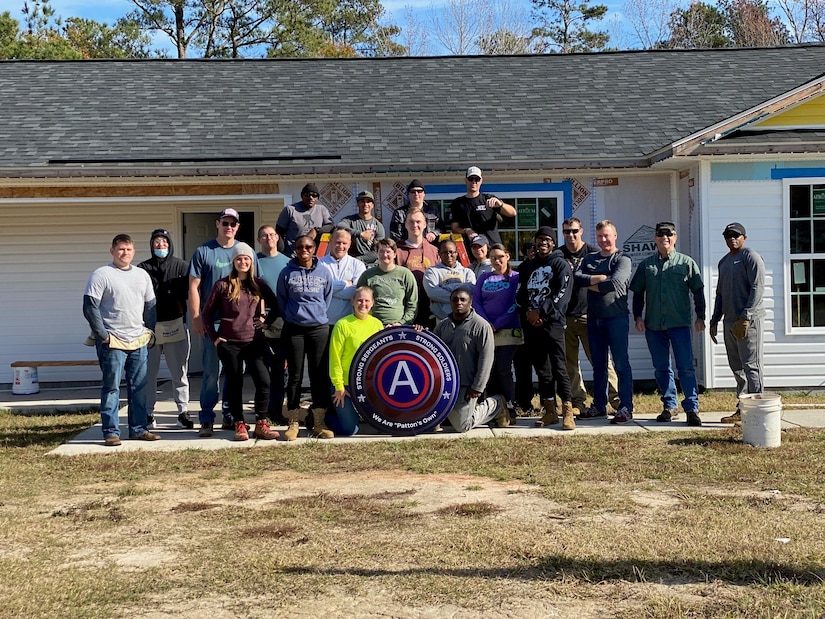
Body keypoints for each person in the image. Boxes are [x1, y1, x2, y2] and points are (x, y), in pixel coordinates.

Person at [83, 234, 159, 446]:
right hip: (113, 341)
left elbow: (150, 306)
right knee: (112, 387)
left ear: (134, 252)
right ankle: (110, 432)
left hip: (138, 341)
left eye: (128, 249)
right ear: (112, 251)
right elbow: (90, 307)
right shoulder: (101, 275)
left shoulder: (142, 275)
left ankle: (138, 429)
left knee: (139, 387)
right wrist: (103, 335)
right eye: (121, 249)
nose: (125, 253)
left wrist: (149, 331)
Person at [201, 242, 280, 441]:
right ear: (233, 261)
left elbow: (276, 306)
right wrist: (214, 337)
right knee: (234, 383)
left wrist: (265, 321)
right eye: (239, 258)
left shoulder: (258, 283)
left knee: (264, 381)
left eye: (246, 258)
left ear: (251, 261)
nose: (243, 261)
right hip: (230, 342)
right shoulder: (223, 284)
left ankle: (261, 422)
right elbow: (207, 313)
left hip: (254, 341)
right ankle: (239, 423)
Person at [630, 221, 706, 426]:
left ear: (675, 237)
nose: (665, 237)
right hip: (654, 325)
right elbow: (638, 292)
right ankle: (669, 406)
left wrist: (701, 316)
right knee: (662, 367)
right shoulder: (647, 265)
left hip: (679, 323)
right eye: (660, 234)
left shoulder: (686, 263)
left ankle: (691, 408)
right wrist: (637, 316)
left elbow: (698, 290)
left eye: (669, 234)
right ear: (655, 238)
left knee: (686, 367)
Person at [189, 208, 250, 435]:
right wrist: (196, 317)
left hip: (238, 326)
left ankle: (229, 414)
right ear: (217, 224)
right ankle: (206, 417)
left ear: (237, 227)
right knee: (211, 373)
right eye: (225, 223)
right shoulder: (204, 252)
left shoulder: (244, 251)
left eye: (233, 224)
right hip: (212, 324)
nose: (229, 227)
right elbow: (193, 286)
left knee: (235, 373)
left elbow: (255, 286)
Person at [558, 217, 621, 418]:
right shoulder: (558, 254)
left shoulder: (593, 253)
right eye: (567, 231)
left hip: (589, 315)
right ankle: (578, 401)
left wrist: (588, 280)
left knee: (601, 360)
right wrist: (591, 279)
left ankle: (616, 399)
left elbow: (608, 281)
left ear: (581, 230)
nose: (571, 235)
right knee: (570, 364)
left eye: (574, 231)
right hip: (565, 316)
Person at [517, 227, 576, 431]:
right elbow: (521, 294)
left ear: (553, 243)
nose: (543, 243)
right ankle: (550, 410)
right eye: (540, 240)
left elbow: (562, 294)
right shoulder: (527, 267)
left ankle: (567, 410)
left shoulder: (560, 264)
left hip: (553, 324)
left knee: (559, 367)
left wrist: (542, 313)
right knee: (543, 369)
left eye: (548, 240)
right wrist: (530, 313)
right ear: (534, 242)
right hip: (533, 325)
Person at [277, 234, 335, 440]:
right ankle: (293, 422)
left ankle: (318, 421)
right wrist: (295, 317)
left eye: (308, 247)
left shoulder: (324, 272)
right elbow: (281, 301)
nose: (304, 250)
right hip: (294, 329)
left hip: (319, 328)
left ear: (314, 248)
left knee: (318, 375)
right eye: (300, 246)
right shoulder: (286, 272)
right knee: (294, 376)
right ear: (295, 249)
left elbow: (326, 298)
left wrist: (315, 315)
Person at [576, 220, 634, 423]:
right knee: (598, 365)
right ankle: (599, 406)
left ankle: (625, 407)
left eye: (607, 235)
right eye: (600, 236)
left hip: (615, 318)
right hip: (593, 319)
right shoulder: (590, 259)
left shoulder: (623, 259)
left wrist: (591, 282)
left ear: (615, 236)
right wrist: (600, 278)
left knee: (620, 364)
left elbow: (615, 284)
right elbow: (576, 279)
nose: (603, 240)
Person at [709, 222, 766, 426]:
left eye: (736, 235)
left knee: (751, 365)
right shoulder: (724, 261)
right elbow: (720, 293)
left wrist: (746, 316)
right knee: (737, 367)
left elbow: (758, 288)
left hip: (747, 322)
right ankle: (743, 408)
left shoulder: (750, 257)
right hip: (730, 321)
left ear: (744, 237)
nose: (732, 238)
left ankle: (757, 410)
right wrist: (715, 319)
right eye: (728, 235)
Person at [433, 287, 509, 432]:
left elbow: (486, 359)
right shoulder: (443, 326)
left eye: (463, 300)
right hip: (445, 385)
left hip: (467, 385)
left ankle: (497, 404)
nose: (458, 303)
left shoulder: (481, 326)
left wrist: (478, 387)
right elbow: (431, 351)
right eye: (455, 300)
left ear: (470, 302)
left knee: (462, 426)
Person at [137, 229, 192, 430]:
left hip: (176, 325)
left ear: (170, 244)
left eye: (164, 242)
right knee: (148, 374)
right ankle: (148, 414)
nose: (161, 246)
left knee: (179, 371)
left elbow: (192, 293)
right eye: (157, 243)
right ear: (151, 245)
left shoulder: (182, 266)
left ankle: (183, 412)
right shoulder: (142, 269)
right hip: (149, 329)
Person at [473, 243, 521, 423]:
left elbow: (516, 303)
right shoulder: (484, 277)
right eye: (493, 257)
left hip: (508, 330)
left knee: (503, 369)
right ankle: (493, 410)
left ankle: (510, 406)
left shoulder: (515, 277)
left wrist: (498, 323)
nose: (497, 260)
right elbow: (476, 301)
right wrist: (486, 323)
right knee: (488, 370)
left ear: (507, 256)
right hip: (487, 330)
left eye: (500, 256)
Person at [328, 286, 384, 436]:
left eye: (367, 300)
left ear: (372, 303)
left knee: (381, 424)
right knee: (350, 431)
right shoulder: (342, 325)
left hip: (369, 385)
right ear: (352, 301)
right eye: (359, 300)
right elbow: (335, 358)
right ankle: (325, 417)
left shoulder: (377, 325)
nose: (363, 304)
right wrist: (339, 386)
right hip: (345, 386)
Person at [256, 225, 290, 423]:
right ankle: (263, 412)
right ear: (259, 239)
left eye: (271, 235)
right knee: (262, 373)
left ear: (277, 237)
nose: (268, 238)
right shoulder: (255, 262)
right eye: (264, 236)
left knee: (279, 372)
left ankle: (276, 412)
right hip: (260, 325)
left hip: (283, 325)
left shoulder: (287, 263)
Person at [356, 238, 418, 326]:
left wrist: (401, 323)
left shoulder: (405, 274)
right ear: (377, 253)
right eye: (381, 251)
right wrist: (371, 323)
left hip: (399, 327)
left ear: (395, 254)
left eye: (388, 252)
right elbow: (359, 302)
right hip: (373, 326)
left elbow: (412, 304)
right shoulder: (367, 275)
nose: (385, 255)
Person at [450, 166, 515, 246]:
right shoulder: (457, 203)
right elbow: (454, 228)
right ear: (466, 180)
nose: (474, 182)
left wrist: (501, 204)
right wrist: (466, 231)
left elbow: (512, 213)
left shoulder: (489, 199)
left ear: (481, 181)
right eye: (471, 179)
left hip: (492, 247)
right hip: (470, 249)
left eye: (477, 179)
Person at [396, 208, 440, 325]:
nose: (415, 225)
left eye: (418, 222)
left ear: (425, 224)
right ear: (405, 224)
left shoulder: (434, 251)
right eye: (411, 222)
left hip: (430, 309)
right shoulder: (397, 251)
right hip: (405, 308)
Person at [320, 228, 367, 324]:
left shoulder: (358, 265)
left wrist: (328, 289)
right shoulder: (319, 264)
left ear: (349, 244)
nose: (341, 246)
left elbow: (356, 293)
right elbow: (318, 290)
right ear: (330, 241)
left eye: (344, 243)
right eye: (337, 242)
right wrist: (346, 283)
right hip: (324, 323)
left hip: (349, 323)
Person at [423, 239, 476, 320]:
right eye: (445, 252)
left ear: (456, 253)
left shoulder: (467, 272)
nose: (448, 255)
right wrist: (461, 290)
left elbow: (471, 292)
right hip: (441, 319)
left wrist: (446, 288)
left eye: (451, 252)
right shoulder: (431, 272)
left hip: (465, 319)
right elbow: (433, 293)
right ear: (439, 254)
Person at [513, 240, 538, 413]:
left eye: (534, 249)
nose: (531, 252)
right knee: (522, 364)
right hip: (522, 322)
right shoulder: (520, 270)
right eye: (528, 250)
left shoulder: (548, 265)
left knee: (545, 365)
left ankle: (548, 402)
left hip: (541, 322)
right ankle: (524, 401)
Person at [276, 183, 334, 256]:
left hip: (314, 257)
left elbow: (330, 226)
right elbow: (279, 233)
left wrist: (316, 230)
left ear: (317, 198)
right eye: (307, 195)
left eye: (314, 195)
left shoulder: (322, 210)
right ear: (302, 196)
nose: (311, 198)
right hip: (293, 256)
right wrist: (281, 253)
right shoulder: (290, 210)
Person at [340, 191, 385, 266]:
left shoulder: (378, 226)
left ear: (373, 205)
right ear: (358, 204)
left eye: (368, 202)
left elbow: (377, 251)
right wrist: (360, 234)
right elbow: (340, 226)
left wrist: (359, 259)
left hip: (372, 264)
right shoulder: (350, 220)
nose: (365, 204)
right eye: (362, 201)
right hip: (351, 263)